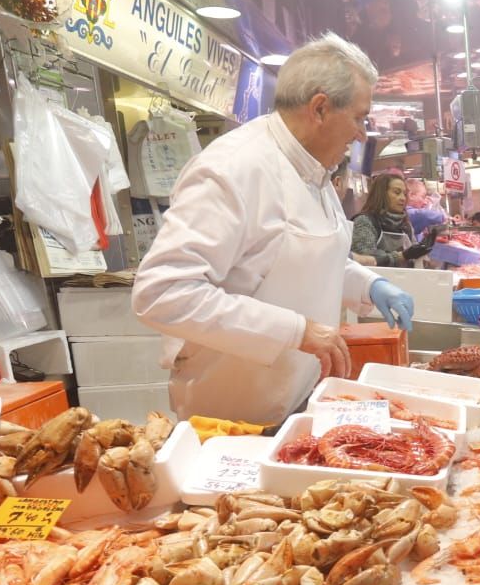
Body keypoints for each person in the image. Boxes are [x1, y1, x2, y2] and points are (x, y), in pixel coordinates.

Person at [134, 32, 414, 427]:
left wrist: (369, 285)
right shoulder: (233, 169)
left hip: (300, 397)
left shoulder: (315, 169)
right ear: (319, 108)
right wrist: (294, 330)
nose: (361, 134)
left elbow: (307, 256)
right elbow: (162, 293)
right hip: (234, 415)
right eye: (358, 118)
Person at [352, 173, 433, 268]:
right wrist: (402, 256)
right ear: (381, 194)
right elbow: (365, 259)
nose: (403, 198)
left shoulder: (406, 225)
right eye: (397, 192)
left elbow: (413, 256)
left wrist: (422, 254)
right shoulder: (364, 221)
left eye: (404, 194)